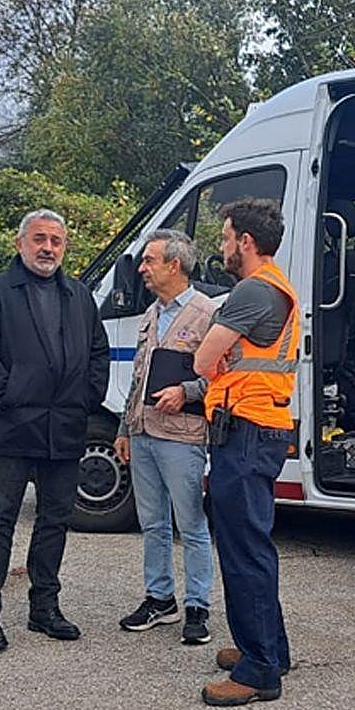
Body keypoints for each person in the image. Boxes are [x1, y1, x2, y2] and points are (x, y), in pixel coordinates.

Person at [0, 209, 110, 652]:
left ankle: (44, 608)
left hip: (65, 426)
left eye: (56, 241)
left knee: (55, 520)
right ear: (20, 243)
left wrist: (86, 397)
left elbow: (98, 352)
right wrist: (8, 391)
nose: (48, 248)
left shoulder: (79, 294)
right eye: (40, 239)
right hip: (15, 424)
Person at [192, 198, 299, 707]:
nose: (222, 245)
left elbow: (202, 358)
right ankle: (270, 649)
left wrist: (218, 359)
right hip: (259, 427)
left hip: (247, 431)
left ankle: (259, 670)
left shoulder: (253, 291)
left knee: (242, 550)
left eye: (226, 236)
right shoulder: (274, 286)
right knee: (252, 544)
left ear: (247, 243)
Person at [113, 230, 216, 645]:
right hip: (143, 434)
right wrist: (124, 428)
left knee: (190, 524)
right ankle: (160, 598)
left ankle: (198, 605)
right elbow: (138, 378)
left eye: (149, 261)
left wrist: (187, 391)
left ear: (174, 265)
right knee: (151, 523)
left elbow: (225, 377)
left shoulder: (208, 314)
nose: (142, 269)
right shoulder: (150, 315)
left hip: (182, 437)